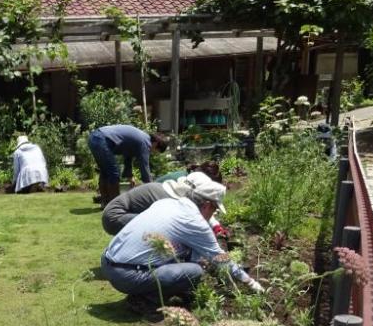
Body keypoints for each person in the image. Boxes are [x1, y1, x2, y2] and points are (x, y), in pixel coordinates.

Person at [100, 180, 264, 308]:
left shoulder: (167, 203)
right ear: (207, 205)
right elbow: (221, 258)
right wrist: (250, 283)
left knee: (184, 254)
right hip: (125, 275)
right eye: (215, 210)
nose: (214, 214)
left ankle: (154, 290)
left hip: (107, 261)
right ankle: (145, 300)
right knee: (195, 271)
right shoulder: (195, 222)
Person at [102, 171, 230, 237]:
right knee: (164, 229)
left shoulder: (176, 189)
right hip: (114, 217)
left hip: (122, 213)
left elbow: (203, 208)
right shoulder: (166, 200)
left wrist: (216, 226)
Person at [88, 124, 169, 206]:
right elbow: (144, 166)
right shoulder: (145, 142)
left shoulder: (141, 139)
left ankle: (105, 203)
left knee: (106, 172)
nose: (152, 153)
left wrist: (129, 176)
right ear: (155, 143)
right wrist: (152, 189)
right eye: (155, 151)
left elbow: (128, 157)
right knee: (114, 173)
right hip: (102, 139)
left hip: (94, 137)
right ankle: (115, 206)